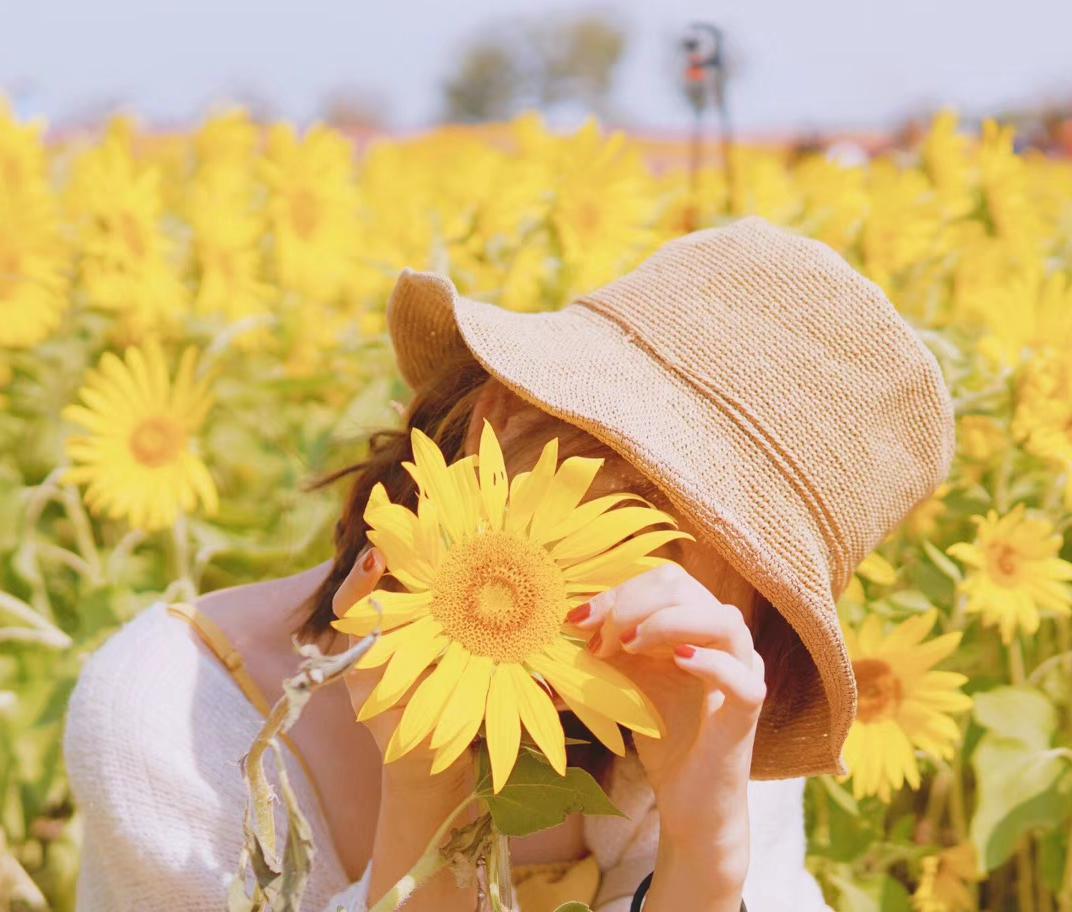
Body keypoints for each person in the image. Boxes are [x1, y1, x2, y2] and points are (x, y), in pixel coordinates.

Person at [62, 215, 956, 911]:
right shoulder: (177, 718)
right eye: (614, 490)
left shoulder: (703, 704)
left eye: (702, 540)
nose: (621, 570)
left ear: (763, 615)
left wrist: (706, 850)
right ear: (496, 413)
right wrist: (424, 788)